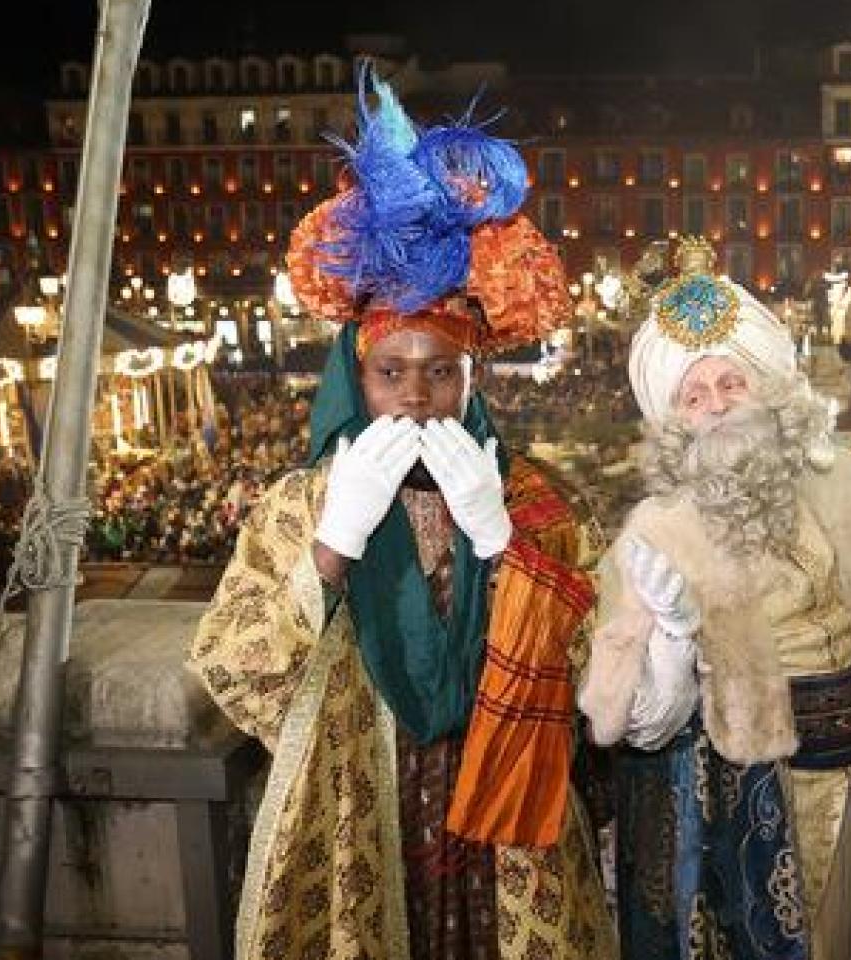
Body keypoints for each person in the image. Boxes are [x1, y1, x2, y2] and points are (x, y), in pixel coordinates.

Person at [189, 68, 615, 958]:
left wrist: (505, 549)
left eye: (441, 374)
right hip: (356, 803)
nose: (418, 398)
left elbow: (595, 669)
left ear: (474, 380)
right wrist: (332, 547)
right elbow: (232, 668)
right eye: (393, 374)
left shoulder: (536, 501)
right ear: (357, 375)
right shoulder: (299, 504)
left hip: (504, 808)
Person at [577, 239, 851, 960]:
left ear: (767, 385)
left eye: (731, 384)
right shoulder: (653, 532)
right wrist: (670, 638)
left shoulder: (845, 479)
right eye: (694, 397)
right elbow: (636, 723)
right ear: (674, 419)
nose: (718, 409)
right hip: (737, 805)